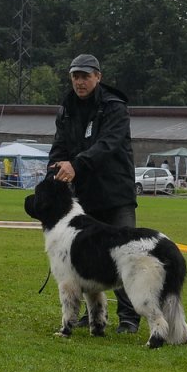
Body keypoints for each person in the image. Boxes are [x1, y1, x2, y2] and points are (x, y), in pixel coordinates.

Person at [48, 53, 141, 334]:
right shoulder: (66, 108)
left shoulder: (115, 108)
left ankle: (129, 318)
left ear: (98, 77)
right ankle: (93, 316)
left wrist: (76, 165)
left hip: (116, 194)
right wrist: (54, 170)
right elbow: (60, 146)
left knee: (127, 256)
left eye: (85, 76)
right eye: (75, 76)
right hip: (85, 196)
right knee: (88, 257)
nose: (80, 81)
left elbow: (107, 145)